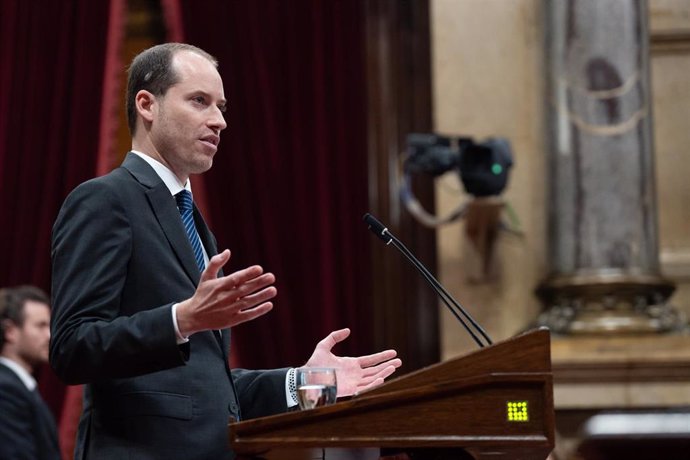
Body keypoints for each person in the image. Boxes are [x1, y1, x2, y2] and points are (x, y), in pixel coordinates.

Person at [50, 42, 402, 459]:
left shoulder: (193, 222)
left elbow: (202, 389)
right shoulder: (105, 199)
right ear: (147, 104)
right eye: (199, 101)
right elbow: (72, 347)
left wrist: (305, 382)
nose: (219, 121)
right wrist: (181, 319)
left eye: (221, 106)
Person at [0, 285, 61, 460]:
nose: (50, 335)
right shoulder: (6, 389)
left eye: (49, 326)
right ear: (11, 331)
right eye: (40, 325)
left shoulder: (20, 387)